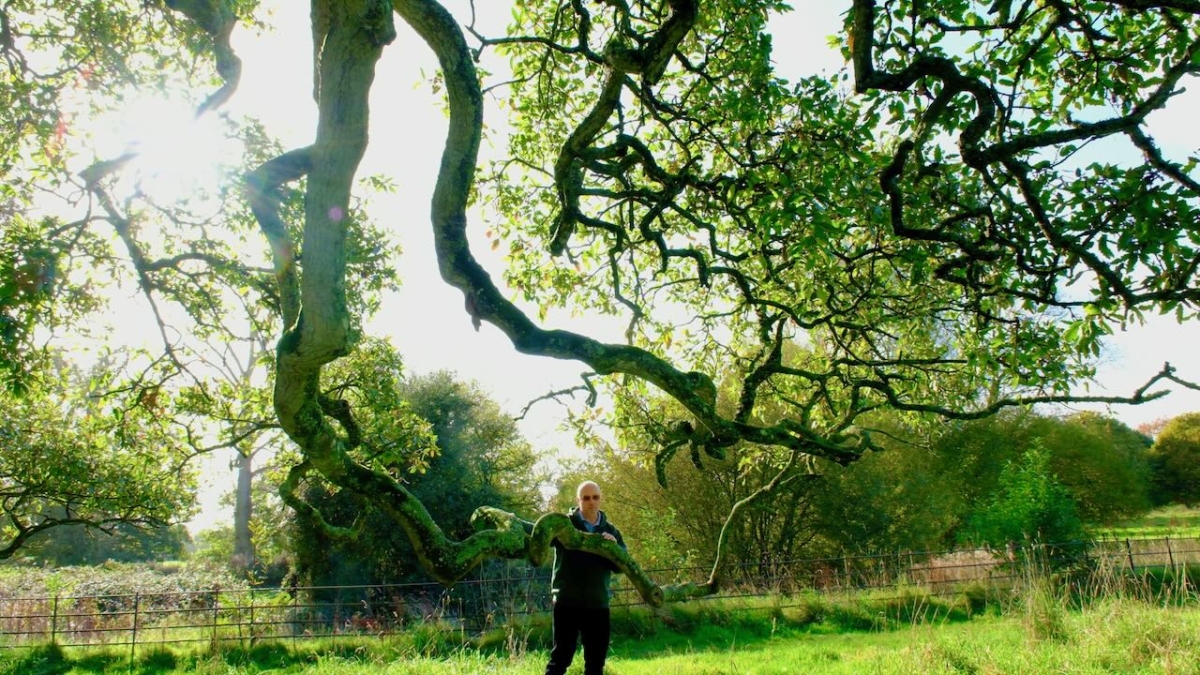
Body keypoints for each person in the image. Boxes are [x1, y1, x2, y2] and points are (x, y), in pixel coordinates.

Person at [544, 480, 626, 675]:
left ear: (600, 499)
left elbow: (621, 567)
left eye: (595, 497)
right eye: (586, 498)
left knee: (596, 663)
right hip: (567, 603)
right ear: (578, 500)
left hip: (597, 604)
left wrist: (614, 548)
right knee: (560, 659)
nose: (591, 502)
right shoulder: (563, 525)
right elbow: (539, 537)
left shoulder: (610, 531)